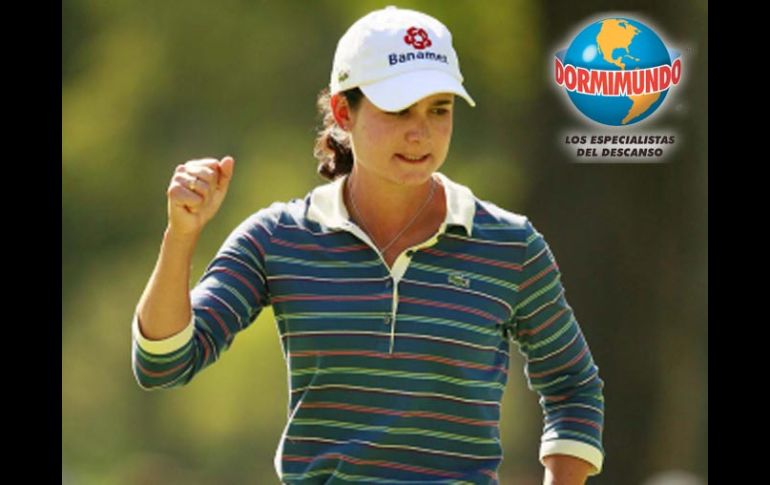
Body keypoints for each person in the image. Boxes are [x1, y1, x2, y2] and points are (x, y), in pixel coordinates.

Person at [132, 6, 605, 484]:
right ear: (343, 112)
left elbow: (573, 387)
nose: (420, 133)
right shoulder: (278, 237)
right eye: (398, 110)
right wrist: (181, 235)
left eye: (439, 110)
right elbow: (163, 364)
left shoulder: (510, 245)